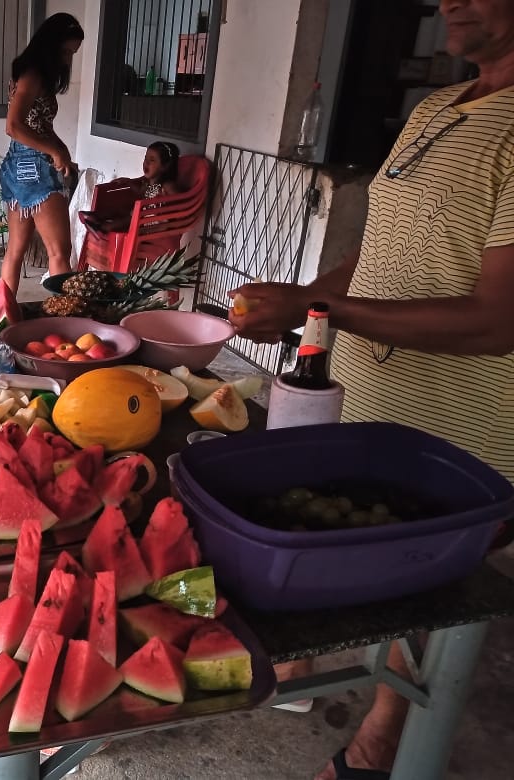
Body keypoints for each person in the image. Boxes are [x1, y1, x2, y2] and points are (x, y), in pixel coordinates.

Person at [229, 1, 514, 778]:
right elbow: (375, 249)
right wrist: (305, 306)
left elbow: (497, 320)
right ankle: (300, 668)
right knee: (340, 549)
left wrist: (325, 310)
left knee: (426, 583)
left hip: (458, 431)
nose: (450, 2)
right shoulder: (437, 107)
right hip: (369, 400)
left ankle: (381, 737)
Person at [0, 13, 86, 293]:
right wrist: (52, 151)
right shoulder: (33, 74)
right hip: (34, 167)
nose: (67, 59)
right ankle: (63, 319)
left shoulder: (30, 73)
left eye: (71, 53)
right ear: (50, 44)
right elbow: (13, 126)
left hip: (17, 163)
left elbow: (39, 126)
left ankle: (3, 315)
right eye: (64, 51)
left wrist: (59, 150)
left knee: (15, 251)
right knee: (59, 251)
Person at [78, 140, 182, 234]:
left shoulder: (167, 185)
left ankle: (104, 227)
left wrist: (167, 204)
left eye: (152, 160)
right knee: (120, 210)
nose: (146, 162)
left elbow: (181, 201)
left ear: (165, 166)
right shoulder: (147, 182)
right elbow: (141, 193)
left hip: (151, 223)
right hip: (140, 215)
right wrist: (128, 182)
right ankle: (95, 217)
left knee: (129, 219)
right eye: (145, 158)